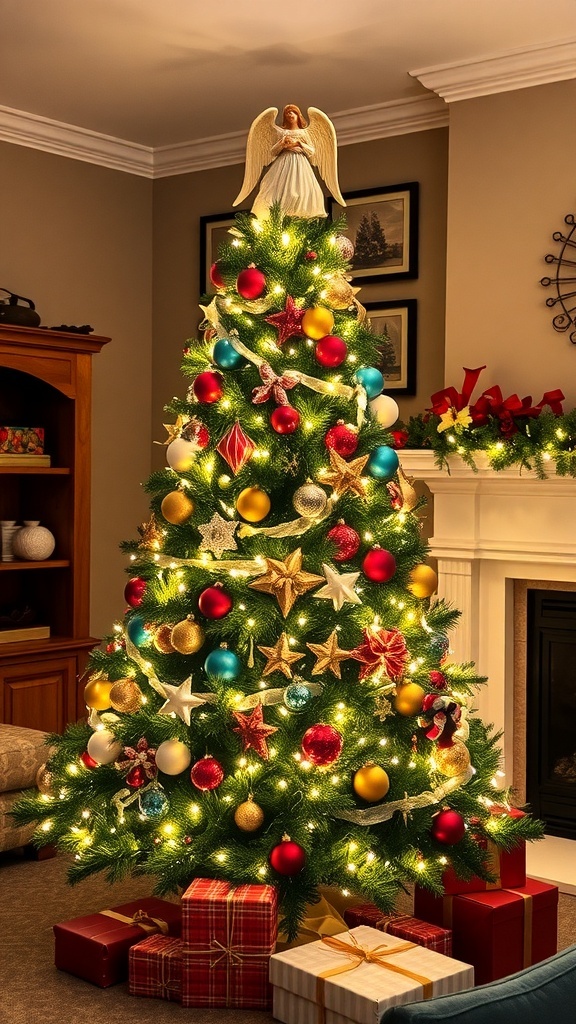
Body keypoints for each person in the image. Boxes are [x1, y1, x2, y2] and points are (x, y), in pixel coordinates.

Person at [234, 104, 345, 220]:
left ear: (298, 115)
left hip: (300, 163)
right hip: (283, 163)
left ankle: (299, 213)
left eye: (293, 112)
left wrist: (298, 143)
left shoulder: (303, 133)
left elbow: (311, 151)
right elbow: (273, 151)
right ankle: (278, 212)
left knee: (300, 189)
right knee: (277, 188)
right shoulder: (281, 133)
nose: (290, 115)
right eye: (287, 113)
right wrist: (282, 143)